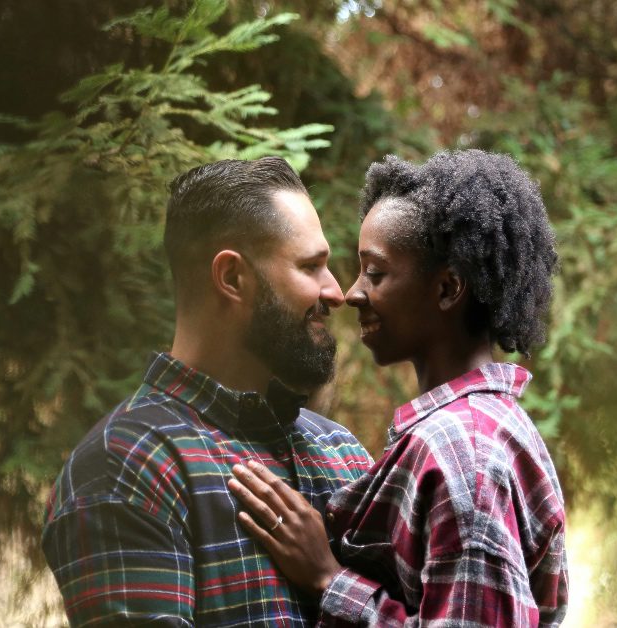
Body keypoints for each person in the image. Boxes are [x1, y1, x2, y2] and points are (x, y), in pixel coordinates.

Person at [228, 150, 569, 626]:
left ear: (448, 289)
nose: (351, 293)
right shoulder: (479, 430)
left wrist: (328, 578)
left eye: (376, 272)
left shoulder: (464, 454)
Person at [41, 157, 374, 627]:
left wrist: (331, 579)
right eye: (311, 266)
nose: (336, 291)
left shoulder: (342, 453)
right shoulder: (125, 468)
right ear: (233, 278)